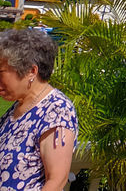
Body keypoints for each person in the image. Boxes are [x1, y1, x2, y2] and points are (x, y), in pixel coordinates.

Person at [0, 28, 78, 191]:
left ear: (31, 71)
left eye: (1, 72)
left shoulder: (57, 110)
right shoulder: (18, 107)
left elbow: (57, 181)